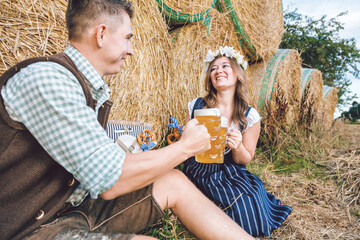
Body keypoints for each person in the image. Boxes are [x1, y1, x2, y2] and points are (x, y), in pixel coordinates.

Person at [0, 1, 254, 240]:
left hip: (70, 206)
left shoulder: (85, 87)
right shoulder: (49, 80)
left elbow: (104, 162)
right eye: (127, 38)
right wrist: (185, 147)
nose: (131, 50)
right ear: (101, 34)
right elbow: (111, 180)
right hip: (28, 228)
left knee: (173, 180)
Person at [182, 46, 293, 237]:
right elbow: (185, 143)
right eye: (214, 68)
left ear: (237, 73)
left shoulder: (249, 116)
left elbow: (245, 159)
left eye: (225, 66)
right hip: (199, 168)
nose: (218, 71)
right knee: (201, 202)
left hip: (230, 171)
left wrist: (238, 146)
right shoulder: (196, 105)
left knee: (246, 206)